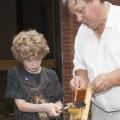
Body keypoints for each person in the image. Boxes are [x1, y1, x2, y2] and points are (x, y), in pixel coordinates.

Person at [65, 0, 120, 120]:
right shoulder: (82, 31)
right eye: (75, 14)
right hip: (98, 110)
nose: (78, 18)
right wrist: (80, 80)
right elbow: (81, 66)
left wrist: (112, 78)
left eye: (80, 10)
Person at [5, 29, 64, 120]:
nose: (34, 64)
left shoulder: (51, 74)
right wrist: (45, 107)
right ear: (20, 57)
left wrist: (57, 109)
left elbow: (58, 101)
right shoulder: (15, 73)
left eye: (38, 59)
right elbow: (21, 105)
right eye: (29, 60)